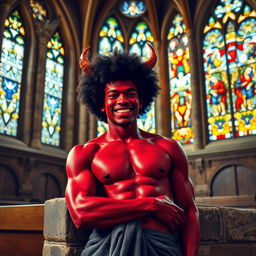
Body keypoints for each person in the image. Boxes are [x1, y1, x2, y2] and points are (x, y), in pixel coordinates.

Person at [65, 43, 200, 256]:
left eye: (130, 93)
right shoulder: (85, 153)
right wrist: (149, 205)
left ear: (141, 100)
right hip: (106, 247)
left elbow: (190, 211)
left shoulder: (169, 147)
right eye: (113, 95)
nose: (122, 100)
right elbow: (81, 213)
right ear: (101, 103)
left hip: (161, 247)